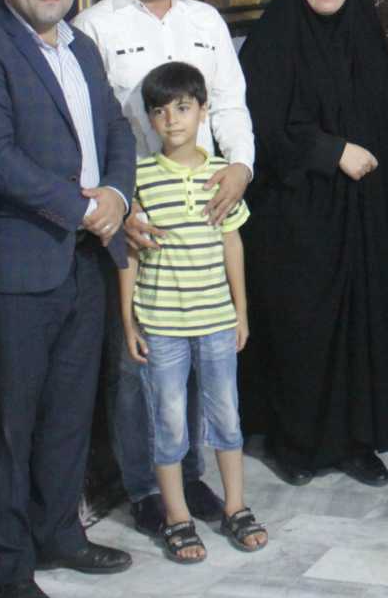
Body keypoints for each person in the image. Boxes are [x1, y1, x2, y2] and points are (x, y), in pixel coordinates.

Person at [0, 0, 136, 595]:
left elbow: (116, 127)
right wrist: (80, 207)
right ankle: (7, 568)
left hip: (88, 259)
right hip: (20, 264)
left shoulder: (81, 46)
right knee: (10, 425)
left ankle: (60, 532)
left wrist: (117, 194)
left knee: (69, 412)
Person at [73, 0, 252, 534]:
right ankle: (146, 488)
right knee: (141, 363)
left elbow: (230, 104)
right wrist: (116, 205)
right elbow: (88, 129)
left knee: (203, 357)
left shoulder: (206, 21)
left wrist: (241, 168)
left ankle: (191, 474)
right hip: (136, 213)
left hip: (202, 205)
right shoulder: (93, 26)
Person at [237, 0, 388, 487]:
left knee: (359, 326)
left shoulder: (366, 38)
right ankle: (296, 443)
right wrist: (333, 152)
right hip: (294, 213)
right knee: (300, 326)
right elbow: (261, 125)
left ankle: (355, 441)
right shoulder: (271, 42)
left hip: (361, 213)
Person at [119, 61, 265, 563]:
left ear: (203, 110)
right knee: (169, 423)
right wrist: (128, 321)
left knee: (226, 416)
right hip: (160, 325)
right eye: (160, 111)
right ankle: (177, 517)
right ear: (149, 119)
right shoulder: (139, 178)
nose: (172, 120)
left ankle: (236, 506)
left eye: (183, 108)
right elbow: (130, 254)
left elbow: (232, 244)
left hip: (217, 322)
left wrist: (241, 312)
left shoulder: (219, 175)